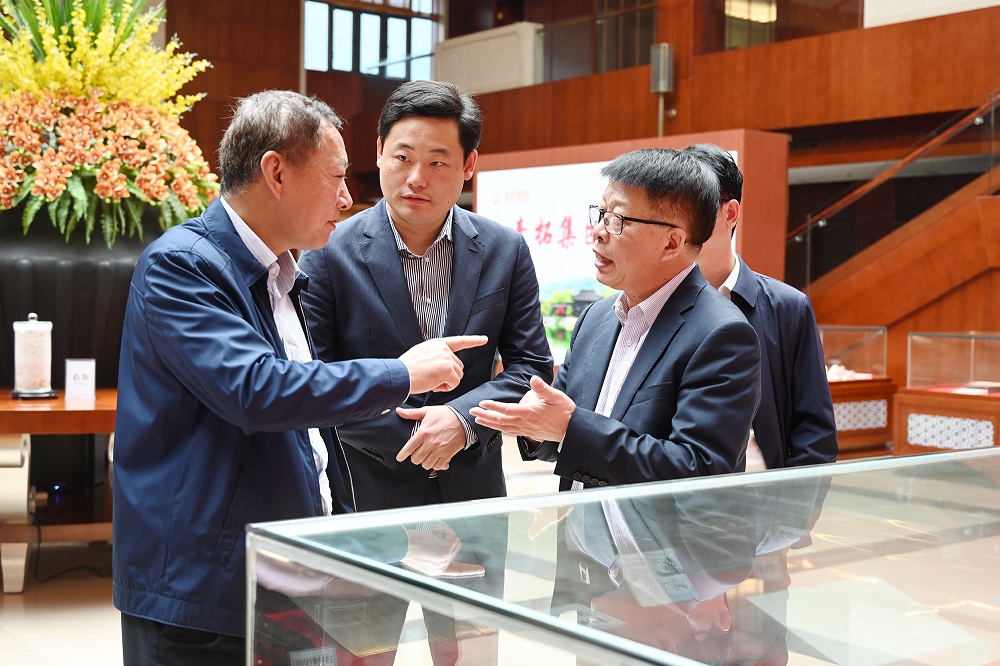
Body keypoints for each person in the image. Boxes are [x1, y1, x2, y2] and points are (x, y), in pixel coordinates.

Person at [112, 90, 487, 666]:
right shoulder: (184, 265)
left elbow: (308, 427)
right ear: (276, 172)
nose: (346, 197)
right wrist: (402, 373)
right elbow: (259, 391)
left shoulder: (282, 274)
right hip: (201, 585)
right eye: (336, 177)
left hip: (280, 571)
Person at [298, 80, 552, 663]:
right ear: (379, 153)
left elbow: (531, 367)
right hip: (366, 496)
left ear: (468, 166)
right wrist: (414, 438)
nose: (417, 178)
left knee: (470, 655)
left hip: (472, 496)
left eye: (438, 162)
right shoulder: (328, 252)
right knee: (362, 653)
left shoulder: (505, 250)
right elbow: (314, 378)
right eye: (403, 157)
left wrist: (460, 421)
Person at [471, 148, 761, 487]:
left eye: (618, 220)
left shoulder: (723, 334)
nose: (598, 231)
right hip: (582, 522)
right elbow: (565, 435)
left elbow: (698, 470)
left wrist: (569, 427)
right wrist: (538, 428)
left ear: (672, 243)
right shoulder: (595, 318)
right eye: (601, 214)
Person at [685, 142, 838, 470]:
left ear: (730, 213)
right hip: (678, 495)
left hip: (764, 493)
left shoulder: (789, 308)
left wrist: (792, 501)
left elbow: (815, 433)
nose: (680, 224)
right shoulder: (655, 304)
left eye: (693, 206)